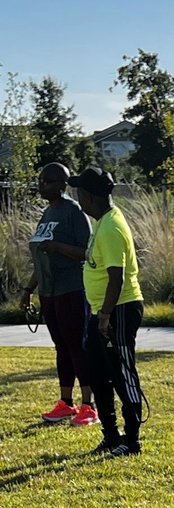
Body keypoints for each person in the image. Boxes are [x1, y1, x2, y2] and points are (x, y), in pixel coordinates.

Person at [69, 166, 146, 458]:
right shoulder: (101, 222)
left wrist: (105, 316)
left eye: (79, 193)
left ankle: (132, 440)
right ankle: (111, 436)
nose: (78, 199)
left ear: (89, 196)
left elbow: (118, 277)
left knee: (122, 374)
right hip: (100, 310)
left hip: (119, 309)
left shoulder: (112, 227)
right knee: (98, 374)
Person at [22, 163, 97, 427]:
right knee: (61, 347)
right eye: (41, 181)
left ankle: (89, 405)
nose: (42, 185)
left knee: (78, 346)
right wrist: (28, 289)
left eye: (48, 181)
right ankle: (66, 403)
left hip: (71, 289)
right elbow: (40, 256)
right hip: (49, 291)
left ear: (62, 184)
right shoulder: (47, 213)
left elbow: (86, 253)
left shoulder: (73, 212)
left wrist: (57, 247)